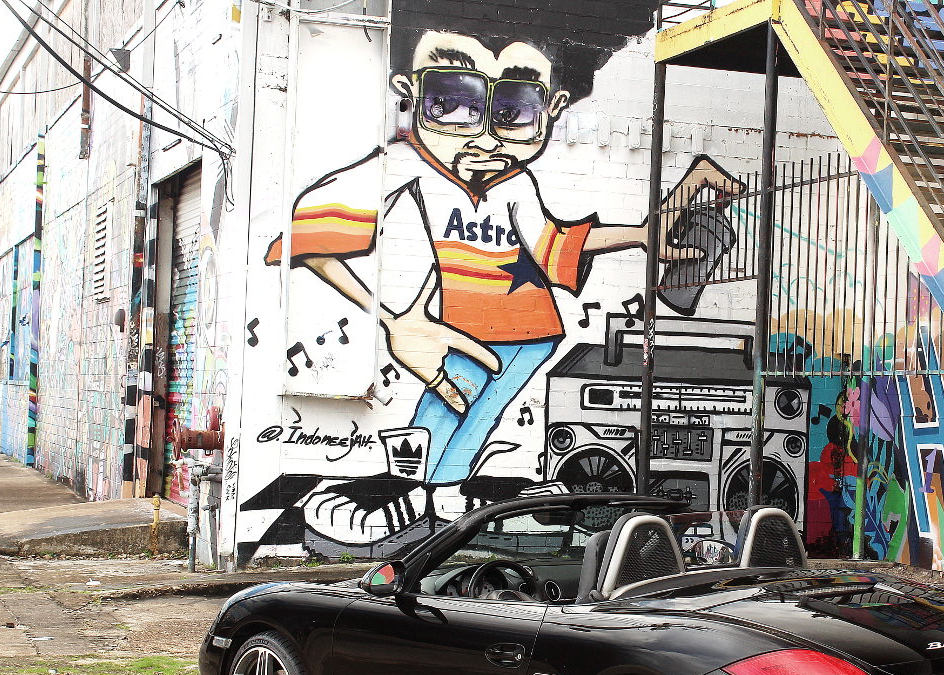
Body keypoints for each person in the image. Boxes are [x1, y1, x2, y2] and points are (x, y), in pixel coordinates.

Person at [267, 29, 741, 483]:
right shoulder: (405, 165)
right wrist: (393, 321)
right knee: (436, 427)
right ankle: (424, 511)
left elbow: (552, 246)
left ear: (552, 107)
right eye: (450, 102)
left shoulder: (515, 183)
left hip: (528, 333)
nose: (486, 139)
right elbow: (307, 237)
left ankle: (430, 512)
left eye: (515, 109)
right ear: (408, 93)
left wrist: (639, 235)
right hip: (460, 332)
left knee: (460, 430)